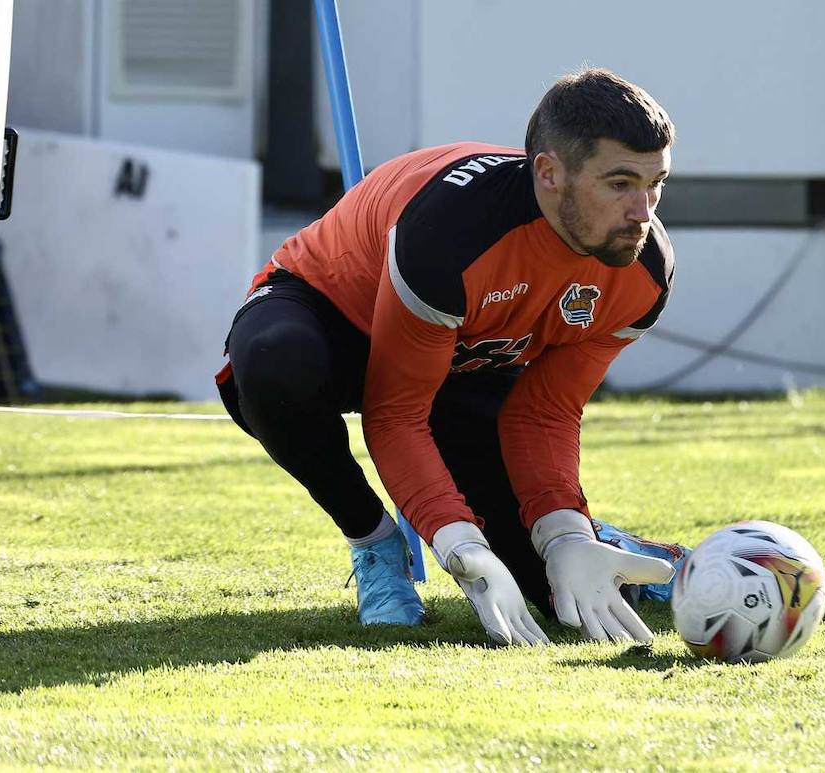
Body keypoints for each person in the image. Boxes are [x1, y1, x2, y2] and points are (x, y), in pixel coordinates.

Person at [216, 68, 687, 646]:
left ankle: (601, 540)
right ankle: (374, 544)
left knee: (554, 589)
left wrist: (562, 531)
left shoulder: (644, 271)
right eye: (620, 184)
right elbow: (396, 412)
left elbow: (543, 413)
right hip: (332, 316)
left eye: (655, 183)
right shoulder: (452, 233)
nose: (643, 211)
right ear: (549, 174)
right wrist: (455, 542)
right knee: (271, 366)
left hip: (463, 355)